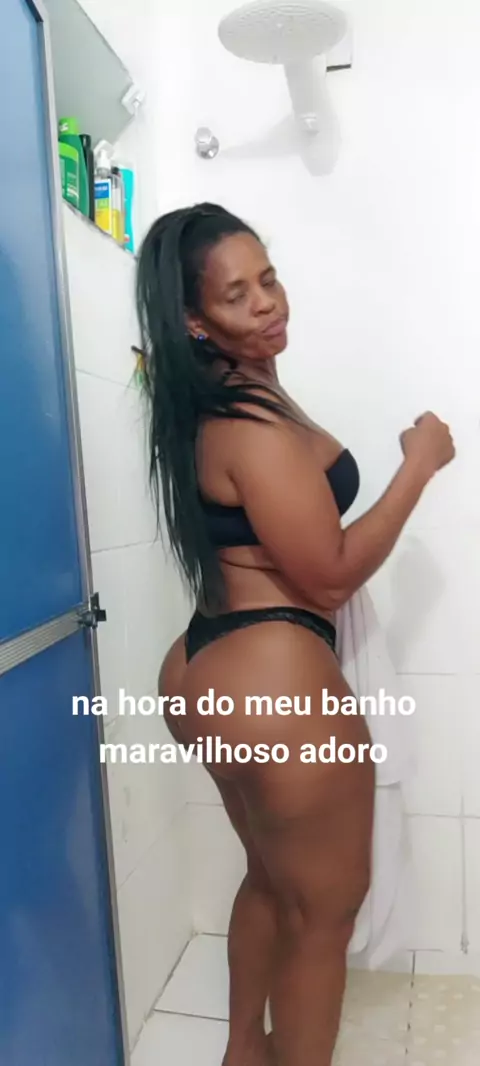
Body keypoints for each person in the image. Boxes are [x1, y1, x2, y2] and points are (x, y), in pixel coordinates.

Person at [135, 202, 455, 1066]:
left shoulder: (216, 400)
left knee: (274, 882)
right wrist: (418, 466)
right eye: (237, 295)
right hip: (272, 681)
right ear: (196, 320)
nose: (267, 303)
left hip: (207, 664)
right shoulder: (253, 422)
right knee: (324, 914)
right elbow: (331, 574)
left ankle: (244, 1051)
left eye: (268, 278)